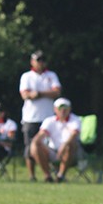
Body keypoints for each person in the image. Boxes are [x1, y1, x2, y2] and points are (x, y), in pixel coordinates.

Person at [19, 50, 62, 182]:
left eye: (42, 60)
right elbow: (25, 95)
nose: (40, 63)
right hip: (31, 118)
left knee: (48, 147)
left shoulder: (51, 75)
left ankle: (48, 174)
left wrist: (38, 94)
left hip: (48, 119)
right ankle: (32, 175)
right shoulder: (27, 76)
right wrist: (34, 94)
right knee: (29, 147)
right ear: (32, 62)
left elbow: (57, 92)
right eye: (38, 60)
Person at [30, 97, 80, 183]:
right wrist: (35, 142)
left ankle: (60, 176)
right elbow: (42, 134)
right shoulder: (49, 121)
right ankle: (47, 176)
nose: (63, 111)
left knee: (70, 144)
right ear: (55, 109)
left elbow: (73, 134)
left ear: (69, 109)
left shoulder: (75, 120)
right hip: (52, 151)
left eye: (66, 108)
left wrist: (64, 145)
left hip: (72, 152)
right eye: (61, 108)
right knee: (35, 145)